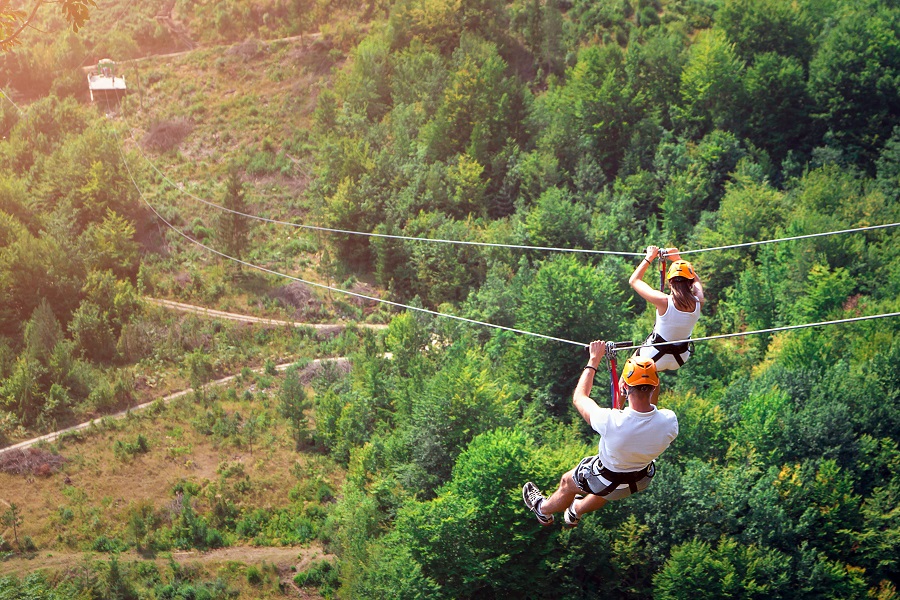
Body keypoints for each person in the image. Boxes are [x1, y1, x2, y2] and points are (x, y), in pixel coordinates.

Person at [522, 341, 678, 527]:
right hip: (640, 479)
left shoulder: (610, 421)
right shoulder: (669, 422)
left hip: (607, 479)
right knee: (612, 484)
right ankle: (576, 510)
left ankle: (543, 510)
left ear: (624, 388)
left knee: (568, 481)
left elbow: (579, 398)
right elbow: (649, 408)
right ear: (654, 386)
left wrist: (593, 360)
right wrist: (642, 360)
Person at [624, 245, 705, 404]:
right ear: (689, 284)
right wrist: (678, 259)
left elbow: (634, 280)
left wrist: (650, 256)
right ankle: (652, 410)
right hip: (680, 357)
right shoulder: (698, 302)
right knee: (652, 374)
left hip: (653, 356)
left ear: (670, 283)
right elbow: (697, 281)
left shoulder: (663, 301)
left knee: (628, 374)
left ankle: (619, 410)